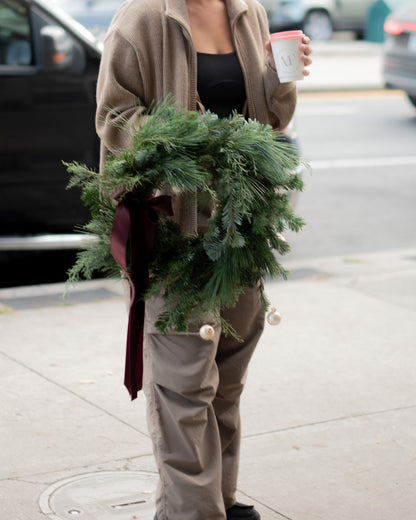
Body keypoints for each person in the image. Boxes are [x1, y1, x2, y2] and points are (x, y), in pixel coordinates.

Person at [96, 1, 312, 519]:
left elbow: (270, 121)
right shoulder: (143, 19)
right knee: (184, 386)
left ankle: (221, 501)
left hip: (241, 227)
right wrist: (196, 140)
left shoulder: (247, 13)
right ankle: (192, 513)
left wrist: (280, 76)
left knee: (226, 382)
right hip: (173, 227)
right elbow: (113, 116)